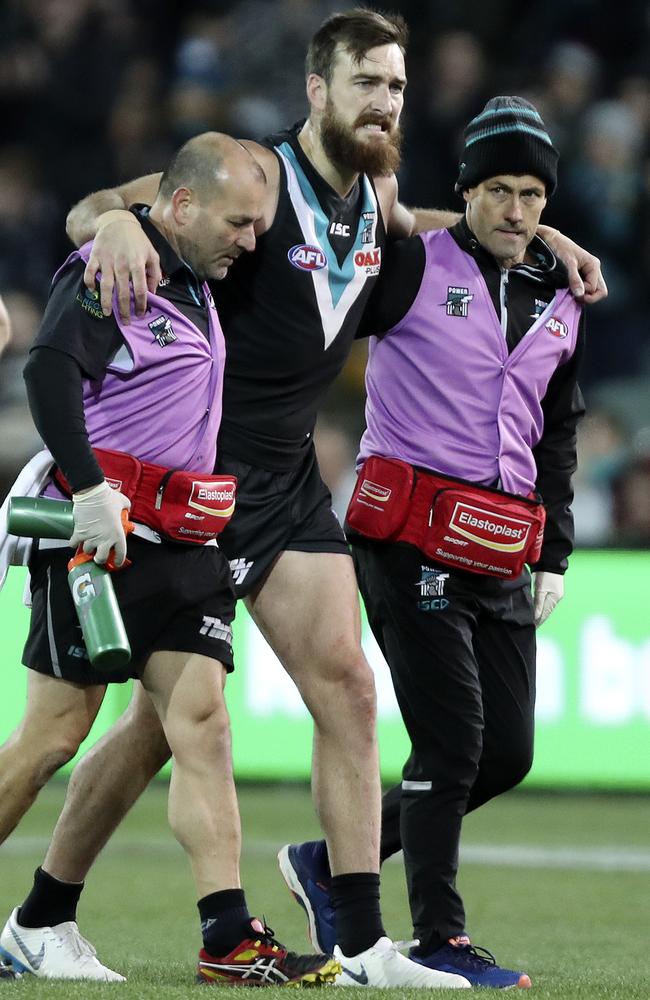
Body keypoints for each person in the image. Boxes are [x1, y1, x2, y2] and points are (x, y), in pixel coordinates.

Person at [1, 8, 604, 988]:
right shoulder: (257, 175)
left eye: (397, 86)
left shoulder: (379, 197)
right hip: (186, 478)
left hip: (283, 483)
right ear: (317, 90)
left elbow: (448, 230)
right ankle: (44, 915)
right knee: (122, 726)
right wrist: (110, 215)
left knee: (347, 690)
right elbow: (115, 206)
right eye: (366, 83)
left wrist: (547, 236)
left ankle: (362, 943)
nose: (384, 102)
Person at [0, 131, 340, 988]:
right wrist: (84, 492)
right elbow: (47, 371)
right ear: (182, 206)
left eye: (259, 226)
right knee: (52, 737)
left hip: (188, 539)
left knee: (203, 724)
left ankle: (227, 938)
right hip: (100, 532)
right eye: (238, 223)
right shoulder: (118, 268)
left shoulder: (192, 277)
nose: (250, 241)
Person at [282, 97, 588, 989]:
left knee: (507, 753)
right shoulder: (414, 264)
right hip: (405, 536)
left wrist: (556, 553)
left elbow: (557, 433)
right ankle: (439, 940)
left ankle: (328, 863)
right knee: (452, 744)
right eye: (499, 189)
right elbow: (324, 313)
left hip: (500, 546)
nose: (517, 210)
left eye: (533, 193)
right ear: (466, 191)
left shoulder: (564, 295)